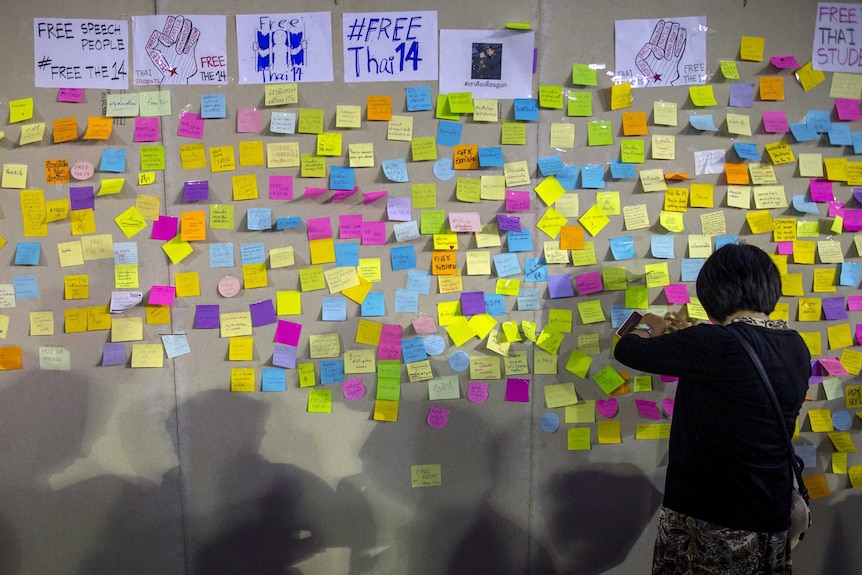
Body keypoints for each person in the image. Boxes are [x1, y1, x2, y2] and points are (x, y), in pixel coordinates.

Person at [614, 243, 810, 574]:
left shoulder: (712, 345)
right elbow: (735, 376)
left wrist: (649, 325)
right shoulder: (794, 345)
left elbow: (628, 350)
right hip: (770, 514)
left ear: (712, 293)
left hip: (713, 522)